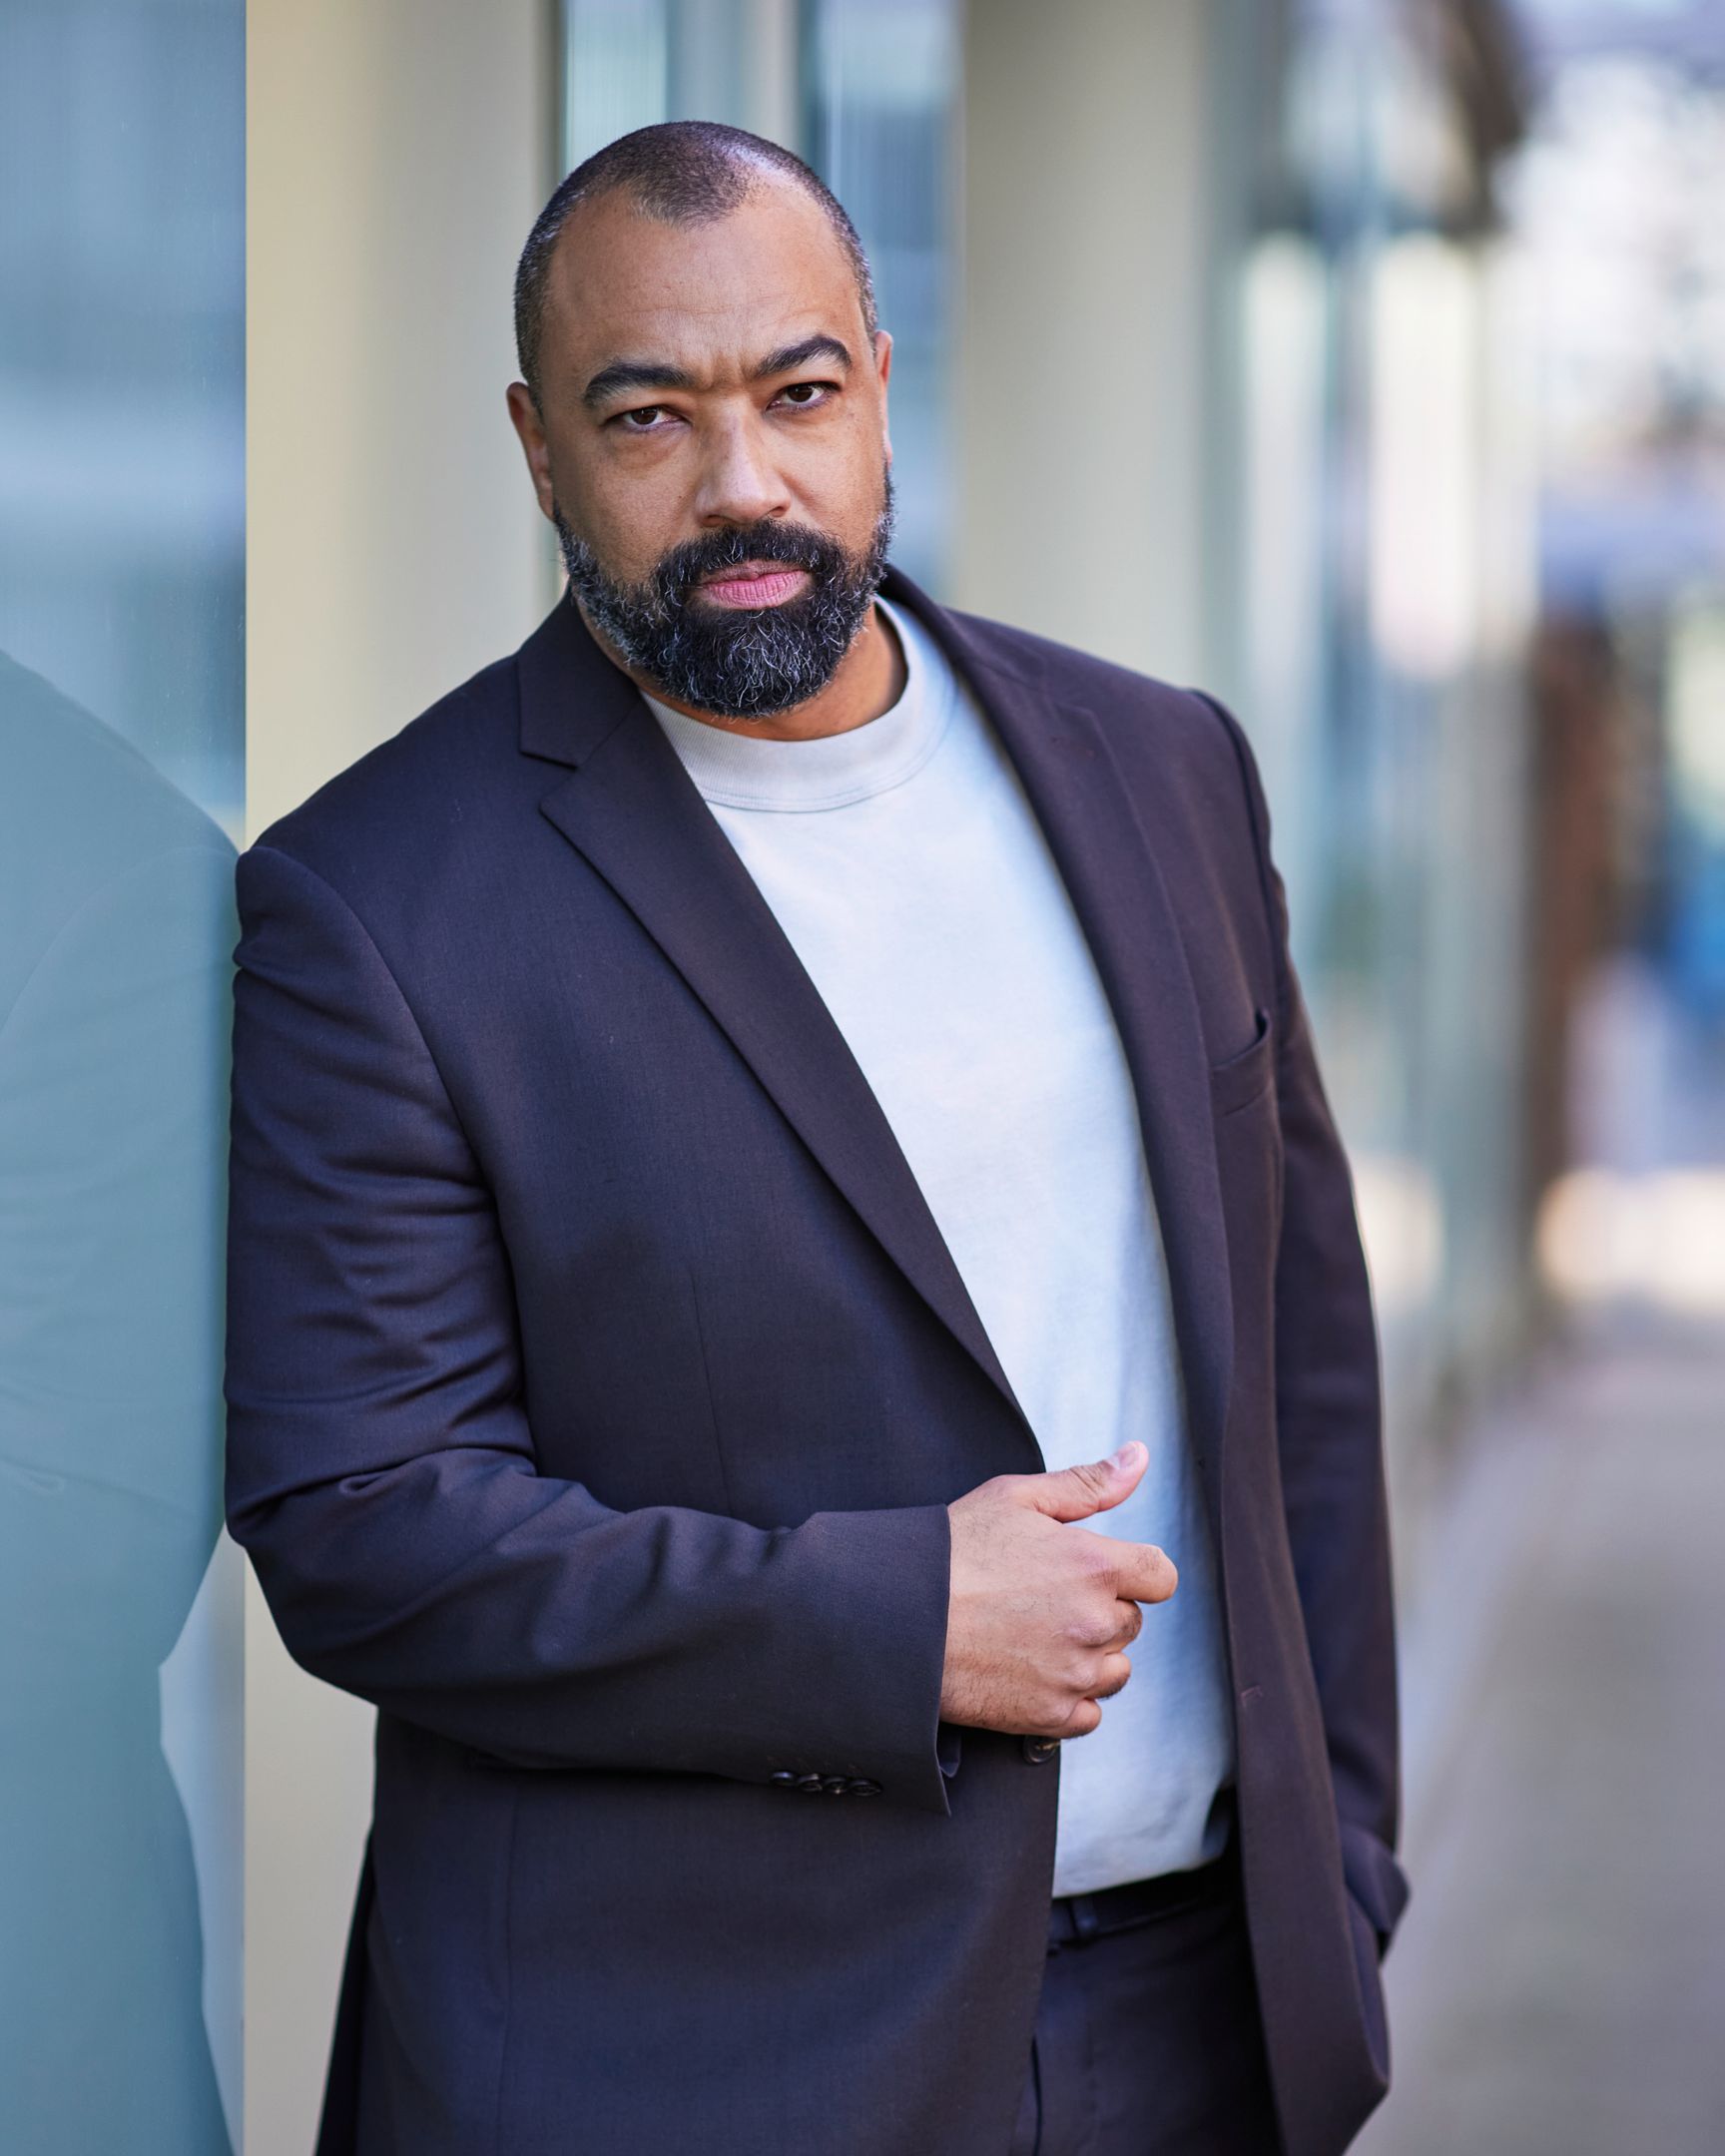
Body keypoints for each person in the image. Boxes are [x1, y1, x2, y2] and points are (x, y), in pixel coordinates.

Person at [225, 121, 1407, 2156]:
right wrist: (895, 1621)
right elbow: (368, 1527)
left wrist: (1345, 1875)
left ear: (878, 380)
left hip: (1199, 2021)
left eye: (797, 393)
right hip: (684, 2072)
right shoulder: (377, 902)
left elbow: (1300, 1366)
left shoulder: (1164, 769)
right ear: (536, 446)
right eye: (647, 416)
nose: (742, 484)